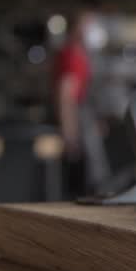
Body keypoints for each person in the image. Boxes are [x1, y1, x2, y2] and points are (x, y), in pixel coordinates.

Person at [53, 11, 109, 194]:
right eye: (87, 24)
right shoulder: (72, 56)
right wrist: (70, 134)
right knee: (88, 180)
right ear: (76, 28)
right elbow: (65, 96)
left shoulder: (79, 54)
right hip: (78, 121)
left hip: (84, 117)